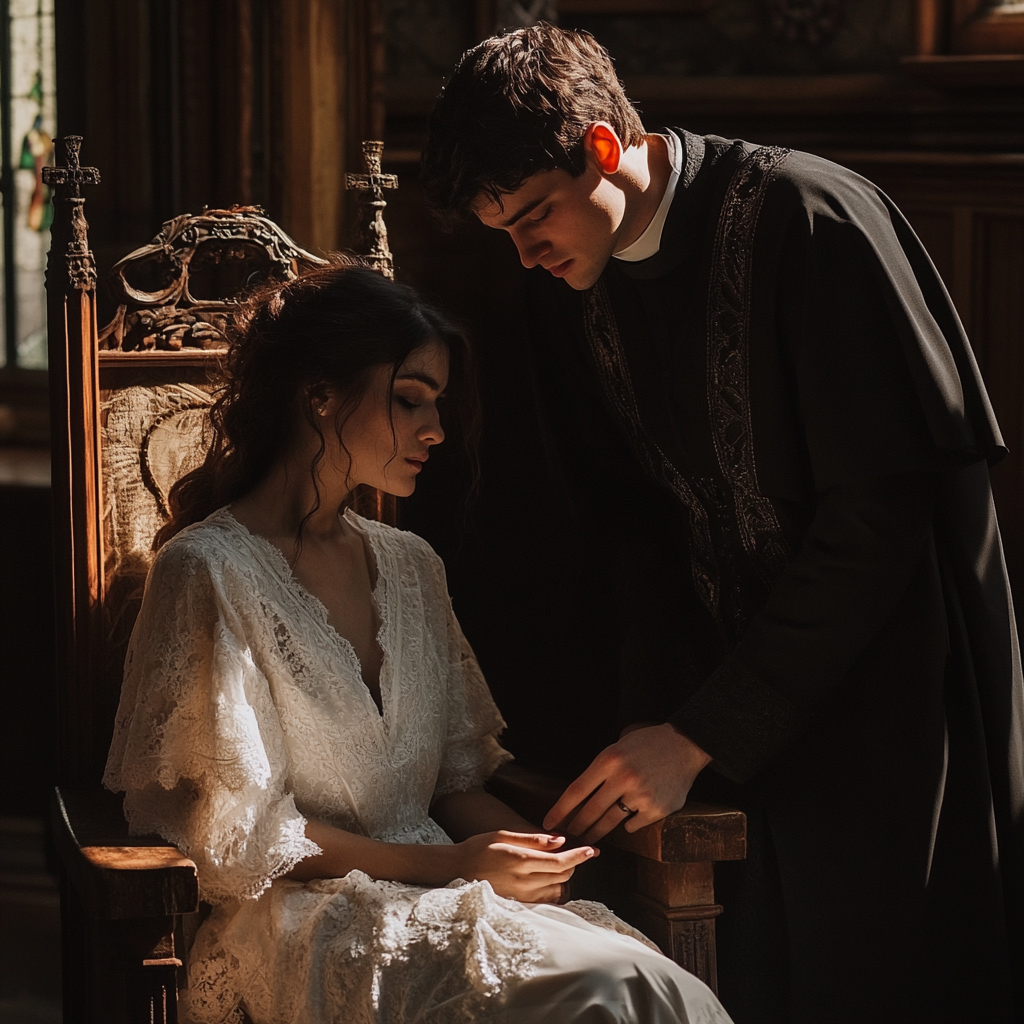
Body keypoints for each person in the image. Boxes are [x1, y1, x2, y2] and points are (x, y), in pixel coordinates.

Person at [419, 24, 1024, 1024]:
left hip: (893, 691)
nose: (525, 254)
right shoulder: (578, 288)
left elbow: (879, 522)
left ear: (603, 149)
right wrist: (654, 725)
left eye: (533, 216)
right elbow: (635, 527)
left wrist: (698, 732)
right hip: (726, 712)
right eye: (504, 233)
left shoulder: (812, 217)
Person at [103, 261, 732, 1024]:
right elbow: (244, 838)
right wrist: (454, 865)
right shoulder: (206, 570)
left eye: (437, 403)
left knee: (659, 989)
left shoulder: (410, 565)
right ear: (320, 394)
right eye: (408, 401)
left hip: (452, 897)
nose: (435, 430)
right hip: (305, 922)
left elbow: (457, 778)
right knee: (597, 996)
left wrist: (539, 851)